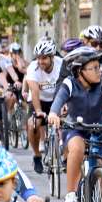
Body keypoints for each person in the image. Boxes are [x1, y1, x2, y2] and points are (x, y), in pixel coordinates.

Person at [48, 47, 102, 202]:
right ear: (80, 71)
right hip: (76, 129)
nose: (99, 71)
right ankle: (71, 195)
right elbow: (58, 101)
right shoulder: (69, 84)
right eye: (94, 68)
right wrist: (53, 114)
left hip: (100, 130)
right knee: (77, 149)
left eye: (99, 67)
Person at [24, 39, 63, 174]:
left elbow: (66, 86)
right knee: (33, 124)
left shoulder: (61, 64)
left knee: (70, 122)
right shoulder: (32, 68)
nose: (41, 62)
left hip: (56, 99)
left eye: (44, 58)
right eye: (38, 58)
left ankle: (65, 154)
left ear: (52, 57)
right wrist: (39, 111)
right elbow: (34, 91)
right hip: (38, 100)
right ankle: (37, 156)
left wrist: (64, 106)